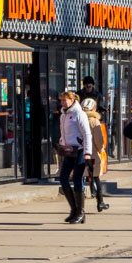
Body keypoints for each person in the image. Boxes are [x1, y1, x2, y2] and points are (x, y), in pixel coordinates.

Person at [56, 92, 92, 225]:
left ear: (72, 100)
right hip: (69, 151)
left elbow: (87, 133)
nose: (63, 103)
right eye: (62, 101)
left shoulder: (79, 113)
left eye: (65, 100)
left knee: (77, 180)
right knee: (63, 178)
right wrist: (61, 143)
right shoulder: (63, 115)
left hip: (80, 150)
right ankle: (73, 209)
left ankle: (81, 212)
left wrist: (88, 152)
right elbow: (63, 132)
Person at [81, 97, 109, 212]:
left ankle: (80, 205)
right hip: (92, 153)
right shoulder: (94, 120)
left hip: (79, 152)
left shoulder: (79, 118)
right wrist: (100, 148)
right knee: (95, 177)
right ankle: (100, 202)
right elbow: (98, 139)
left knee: (81, 178)